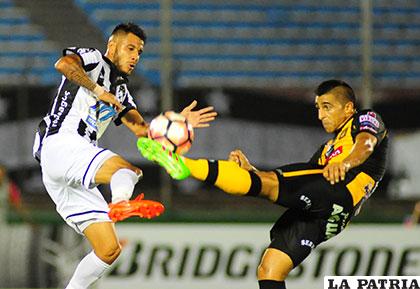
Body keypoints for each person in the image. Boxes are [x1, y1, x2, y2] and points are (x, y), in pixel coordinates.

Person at [138, 79, 388, 289]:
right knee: (270, 268)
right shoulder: (327, 149)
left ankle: (183, 165)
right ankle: (225, 171)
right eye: (317, 108)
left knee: (269, 183)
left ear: (348, 108)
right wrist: (253, 172)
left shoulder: (365, 119)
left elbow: (367, 144)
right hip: (328, 216)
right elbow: (294, 185)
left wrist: (344, 165)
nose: (321, 115)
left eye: (327, 107)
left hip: (339, 193)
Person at [32, 22, 217, 289]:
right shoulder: (94, 59)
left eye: (139, 52)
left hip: (66, 169)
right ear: (112, 44)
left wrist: (177, 123)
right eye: (130, 48)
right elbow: (63, 65)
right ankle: (119, 202)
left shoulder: (120, 90)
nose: (135, 56)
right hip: (62, 143)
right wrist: (98, 91)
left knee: (108, 249)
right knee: (126, 171)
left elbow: (142, 129)